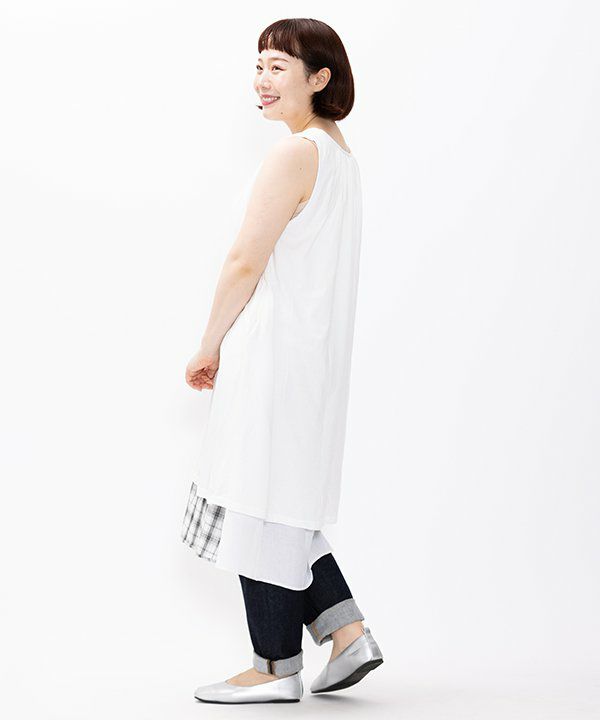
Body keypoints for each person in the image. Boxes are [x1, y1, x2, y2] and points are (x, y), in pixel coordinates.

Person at [182, 18, 383, 704]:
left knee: (259, 504)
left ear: (319, 78)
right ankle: (347, 633)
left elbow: (246, 259)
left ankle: (275, 667)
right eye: (259, 65)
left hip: (272, 354)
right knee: (283, 502)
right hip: (310, 358)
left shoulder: (294, 154)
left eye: (278, 67)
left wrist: (209, 343)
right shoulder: (340, 157)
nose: (262, 80)